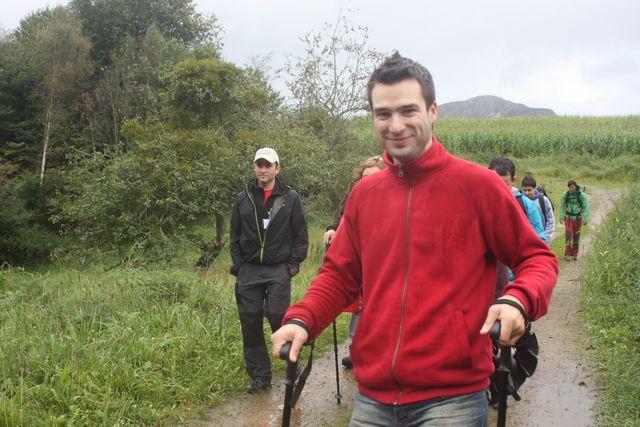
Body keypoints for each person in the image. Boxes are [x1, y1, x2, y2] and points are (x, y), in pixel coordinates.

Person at [272, 52, 558, 426]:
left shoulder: (478, 186)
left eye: (408, 110)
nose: (395, 125)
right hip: (372, 396)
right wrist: (303, 318)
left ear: (433, 110)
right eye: (383, 114)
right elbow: (339, 276)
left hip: (452, 398)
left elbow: (537, 259)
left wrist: (518, 300)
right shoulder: (365, 194)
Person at [230, 147, 309, 393]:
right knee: (250, 321)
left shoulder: (290, 197)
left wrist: (293, 264)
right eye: (259, 165)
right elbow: (235, 233)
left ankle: (291, 368)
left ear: (277, 168)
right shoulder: (244, 197)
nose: (263, 170)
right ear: (255, 167)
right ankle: (261, 376)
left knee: (278, 316)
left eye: (268, 165)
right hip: (250, 270)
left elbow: (301, 233)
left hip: (278, 269)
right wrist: (240, 266)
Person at [323, 155, 386, 369]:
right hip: (359, 268)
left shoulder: (394, 204)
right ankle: (355, 349)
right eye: (365, 177)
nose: (369, 182)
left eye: (375, 177)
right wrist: (332, 229)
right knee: (360, 308)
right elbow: (344, 219)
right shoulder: (356, 199)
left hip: (383, 270)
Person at [488, 157, 548, 243]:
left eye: (505, 185)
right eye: (494, 184)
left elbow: (539, 240)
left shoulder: (527, 206)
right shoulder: (479, 204)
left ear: (513, 180)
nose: (499, 190)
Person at [559, 179, 589, 261]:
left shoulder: (581, 195)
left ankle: (575, 254)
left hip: (578, 218)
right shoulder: (566, 195)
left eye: (572, 187)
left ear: (575, 186)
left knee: (576, 236)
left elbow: (586, 206)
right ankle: (567, 254)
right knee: (568, 235)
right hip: (568, 218)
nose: (571, 189)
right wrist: (561, 217)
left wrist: (585, 218)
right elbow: (562, 206)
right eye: (569, 188)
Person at [522, 176, 556, 242]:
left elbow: (550, 220)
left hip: (541, 239)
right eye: (525, 190)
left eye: (529, 190)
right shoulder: (521, 200)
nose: (527, 193)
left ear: (535, 188)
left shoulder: (543, 200)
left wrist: (545, 238)